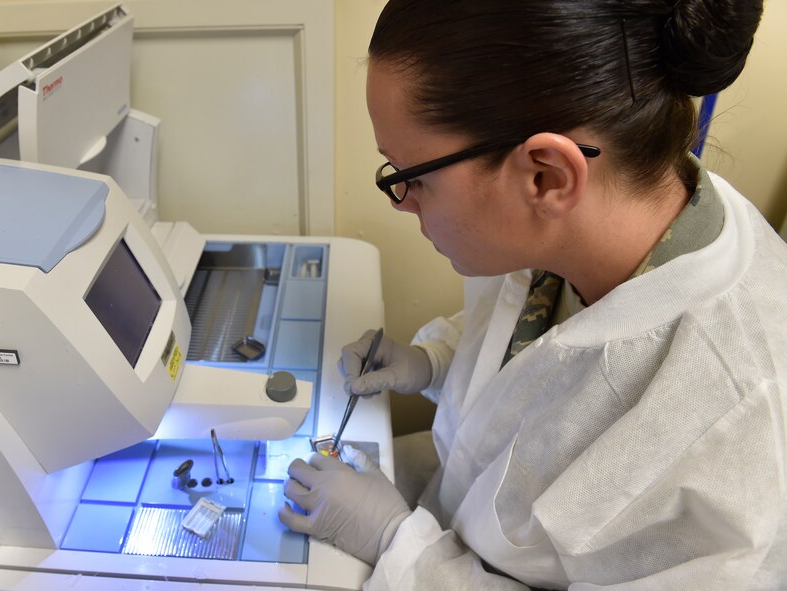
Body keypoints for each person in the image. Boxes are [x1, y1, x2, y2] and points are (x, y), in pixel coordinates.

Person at [279, 0, 787, 588]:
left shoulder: (734, 428)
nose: (404, 203)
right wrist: (435, 362)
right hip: (453, 511)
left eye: (410, 177)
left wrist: (402, 548)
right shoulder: (614, 204)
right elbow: (543, 362)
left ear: (547, 174)